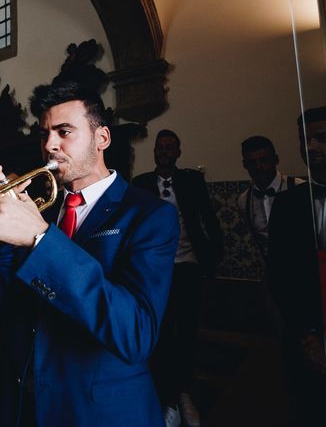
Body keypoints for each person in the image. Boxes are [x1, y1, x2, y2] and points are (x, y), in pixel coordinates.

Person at [0, 80, 179, 426]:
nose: (50, 145)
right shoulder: (39, 212)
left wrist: (40, 239)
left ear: (102, 138)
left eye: (65, 132)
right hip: (27, 408)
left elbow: (135, 333)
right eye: (45, 134)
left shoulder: (150, 215)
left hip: (98, 413)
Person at [268, 106, 326, 426]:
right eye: (305, 139)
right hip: (305, 341)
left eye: (322, 138)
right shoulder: (287, 203)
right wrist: (310, 337)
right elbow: (279, 274)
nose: (311, 146)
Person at [132, 129, 224, 427]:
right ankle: (167, 397)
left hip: (188, 266)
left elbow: (208, 219)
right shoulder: (141, 184)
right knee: (160, 333)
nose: (165, 151)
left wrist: (213, 257)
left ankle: (184, 393)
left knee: (186, 331)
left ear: (178, 152)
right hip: (154, 272)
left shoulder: (191, 181)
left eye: (170, 147)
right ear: (155, 151)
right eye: (160, 147)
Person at [238, 136, 303, 259]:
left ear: (276, 159)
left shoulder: (299, 187)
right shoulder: (244, 200)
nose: (258, 166)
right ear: (245, 165)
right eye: (252, 162)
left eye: (264, 160)